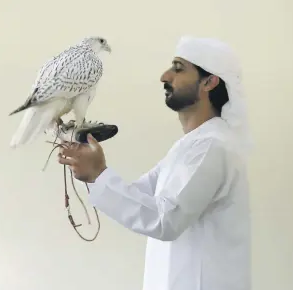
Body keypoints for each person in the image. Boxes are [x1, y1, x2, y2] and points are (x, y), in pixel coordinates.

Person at [58, 36, 252, 290]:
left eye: (178, 68)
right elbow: (140, 196)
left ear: (209, 81)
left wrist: (99, 174)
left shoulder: (212, 147)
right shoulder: (189, 146)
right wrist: (89, 170)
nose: (165, 76)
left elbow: (165, 220)